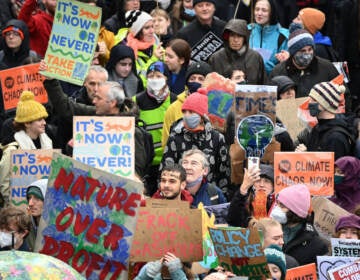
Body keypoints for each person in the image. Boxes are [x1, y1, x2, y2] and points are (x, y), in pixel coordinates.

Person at [41, 61, 151, 180]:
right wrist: (51, 80)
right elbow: (66, 107)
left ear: (112, 103)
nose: (94, 101)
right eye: (92, 84)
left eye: (99, 98)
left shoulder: (132, 132)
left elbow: (137, 170)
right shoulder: (95, 114)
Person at [161, 91, 231, 196]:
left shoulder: (216, 138)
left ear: (202, 116)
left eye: (191, 112)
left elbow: (224, 173)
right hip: (180, 197)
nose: (187, 115)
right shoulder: (175, 138)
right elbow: (166, 169)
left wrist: (221, 199)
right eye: (184, 112)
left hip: (209, 197)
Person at [0, 91, 52, 206]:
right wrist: (16, 208)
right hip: (19, 214)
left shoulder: (48, 144)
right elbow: (5, 185)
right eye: (39, 120)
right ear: (27, 123)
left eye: (44, 119)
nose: (44, 123)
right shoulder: (12, 151)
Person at [133, 61, 177, 196]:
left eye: (158, 76)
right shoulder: (136, 101)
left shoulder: (175, 101)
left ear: (166, 78)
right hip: (144, 164)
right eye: (150, 76)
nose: (154, 80)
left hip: (168, 163)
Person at [269, 25, 341, 100]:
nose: (307, 54)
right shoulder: (278, 72)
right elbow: (269, 102)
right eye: (302, 51)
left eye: (310, 49)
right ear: (293, 52)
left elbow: (342, 94)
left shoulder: (327, 68)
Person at [270, 183, 328, 265]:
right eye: (277, 204)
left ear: (295, 212)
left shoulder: (317, 245)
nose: (276, 209)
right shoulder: (268, 231)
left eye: (282, 206)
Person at [295, 80, 353, 160]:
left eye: (314, 100)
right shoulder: (317, 128)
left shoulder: (336, 137)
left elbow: (333, 170)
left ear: (326, 103)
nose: (309, 103)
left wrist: (306, 155)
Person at [162, 61, 211, 147]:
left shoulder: (214, 107)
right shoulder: (173, 108)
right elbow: (166, 141)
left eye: (201, 79)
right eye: (192, 78)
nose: (196, 82)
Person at [209, 19, 266, 85]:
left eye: (239, 36)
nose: (236, 40)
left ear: (245, 38)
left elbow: (264, 85)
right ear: (227, 37)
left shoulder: (255, 57)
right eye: (232, 35)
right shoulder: (216, 58)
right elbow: (210, 87)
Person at [116, 10, 164, 87]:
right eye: (147, 28)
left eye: (152, 26)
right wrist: (154, 59)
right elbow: (139, 82)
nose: (152, 31)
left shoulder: (154, 42)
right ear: (137, 32)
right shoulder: (126, 49)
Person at [248, 0, 289, 74]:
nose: (259, 13)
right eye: (257, 9)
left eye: (264, 10)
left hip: (272, 80)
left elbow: (285, 67)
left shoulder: (283, 36)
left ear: (271, 13)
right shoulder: (246, 31)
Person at [25, 178, 47, 251]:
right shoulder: (24, 227)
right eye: (29, 198)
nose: (30, 203)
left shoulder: (61, 229)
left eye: (37, 198)